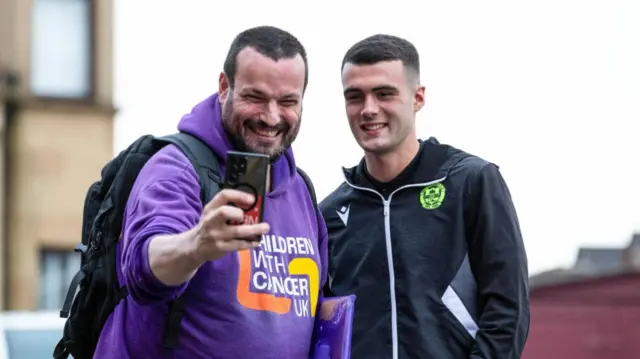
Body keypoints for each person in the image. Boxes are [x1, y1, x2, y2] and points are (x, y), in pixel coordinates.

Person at [93, 26, 327, 359]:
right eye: (255, 97)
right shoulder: (177, 168)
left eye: (288, 101)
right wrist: (197, 244)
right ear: (223, 87)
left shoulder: (300, 190)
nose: (272, 117)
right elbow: (145, 266)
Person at [320, 34, 530, 359]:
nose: (368, 109)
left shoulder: (471, 182)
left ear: (417, 98)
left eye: (384, 94)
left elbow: (508, 311)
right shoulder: (330, 213)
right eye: (355, 97)